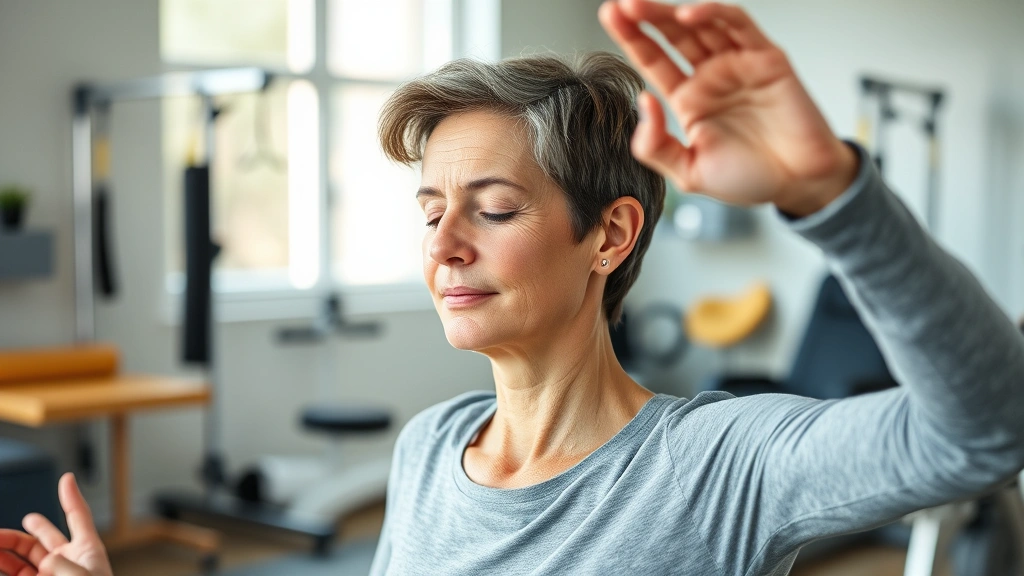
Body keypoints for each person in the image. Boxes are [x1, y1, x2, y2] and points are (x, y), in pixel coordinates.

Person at [2, 1, 1023, 574]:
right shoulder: (430, 448)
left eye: (490, 208)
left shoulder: (722, 461)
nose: (443, 246)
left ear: (608, 237)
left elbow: (986, 425)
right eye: (428, 208)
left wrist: (828, 194)